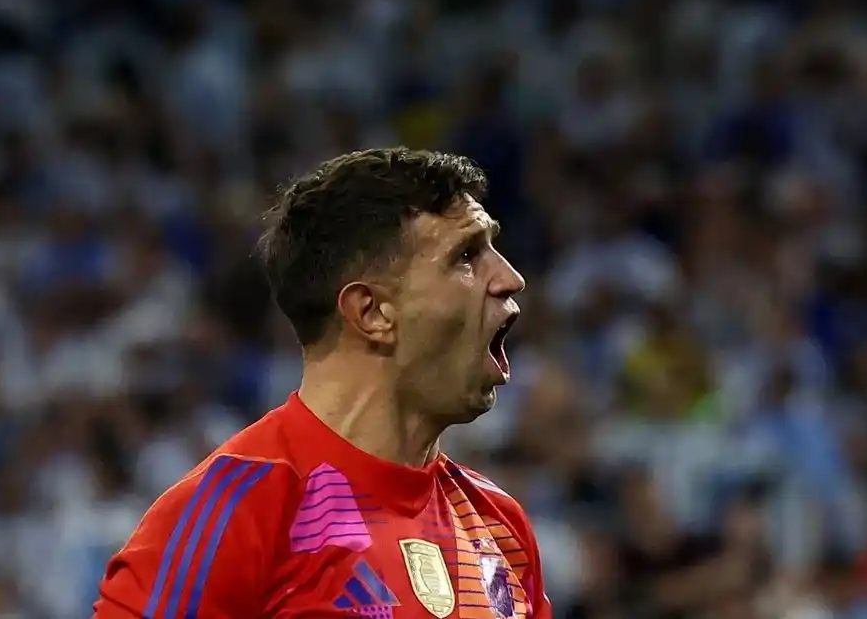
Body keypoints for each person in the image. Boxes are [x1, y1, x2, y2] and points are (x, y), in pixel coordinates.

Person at [92, 148, 550, 618]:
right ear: (371, 312)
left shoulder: (499, 526)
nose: (510, 279)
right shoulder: (236, 513)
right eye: (467, 256)